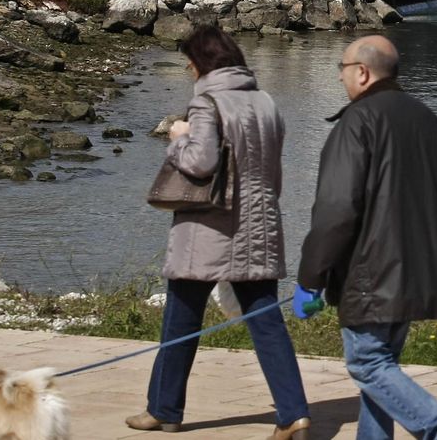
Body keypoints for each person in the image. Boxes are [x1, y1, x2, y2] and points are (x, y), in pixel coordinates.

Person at [127, 26, 311, 439]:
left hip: (209, 226)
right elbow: (272, 171)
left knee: (180, 318)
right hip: (259, 223)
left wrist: (178, 138)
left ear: (201, 62)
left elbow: (200, 163)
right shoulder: (265, 102)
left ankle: (164, 409)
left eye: (189, 62)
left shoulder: (207, 102)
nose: (189, 69)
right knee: (266, 321)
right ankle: (295, 414)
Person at [297, 36, 437, 440]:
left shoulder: (357, 121)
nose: (341, 77)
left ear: (361, 72)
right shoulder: (429, 120)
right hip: (418, 269)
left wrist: (311, 275)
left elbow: (336, 209)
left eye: (341, 69)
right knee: (381, 373)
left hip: (372, 273)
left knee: (368, 366)